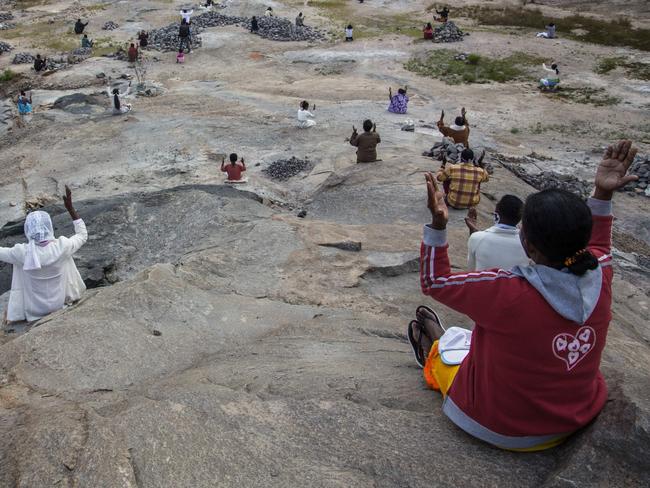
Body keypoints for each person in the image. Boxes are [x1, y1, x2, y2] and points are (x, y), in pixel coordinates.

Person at [408, 139, 638, 451]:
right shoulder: (602, 274)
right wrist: (603, 192)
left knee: (450, 356)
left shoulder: (509, 291)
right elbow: (601, 246)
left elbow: (435, 281)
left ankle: (431, 349)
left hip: (500, 426)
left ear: (527, 245)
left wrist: (437, 226)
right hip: (573, 419)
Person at [0, 186, 87, 323]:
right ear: (49, 227)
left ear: (28, 230)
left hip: (34, 312)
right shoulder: (62, 246)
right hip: (59, 305)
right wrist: (70, 209)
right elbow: (82, 235)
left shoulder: (21, 253)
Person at [464, 195, 529, 271]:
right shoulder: (527, 244)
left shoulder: (477, 238)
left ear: (496, 215)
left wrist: (474, 233)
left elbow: (471, 270)